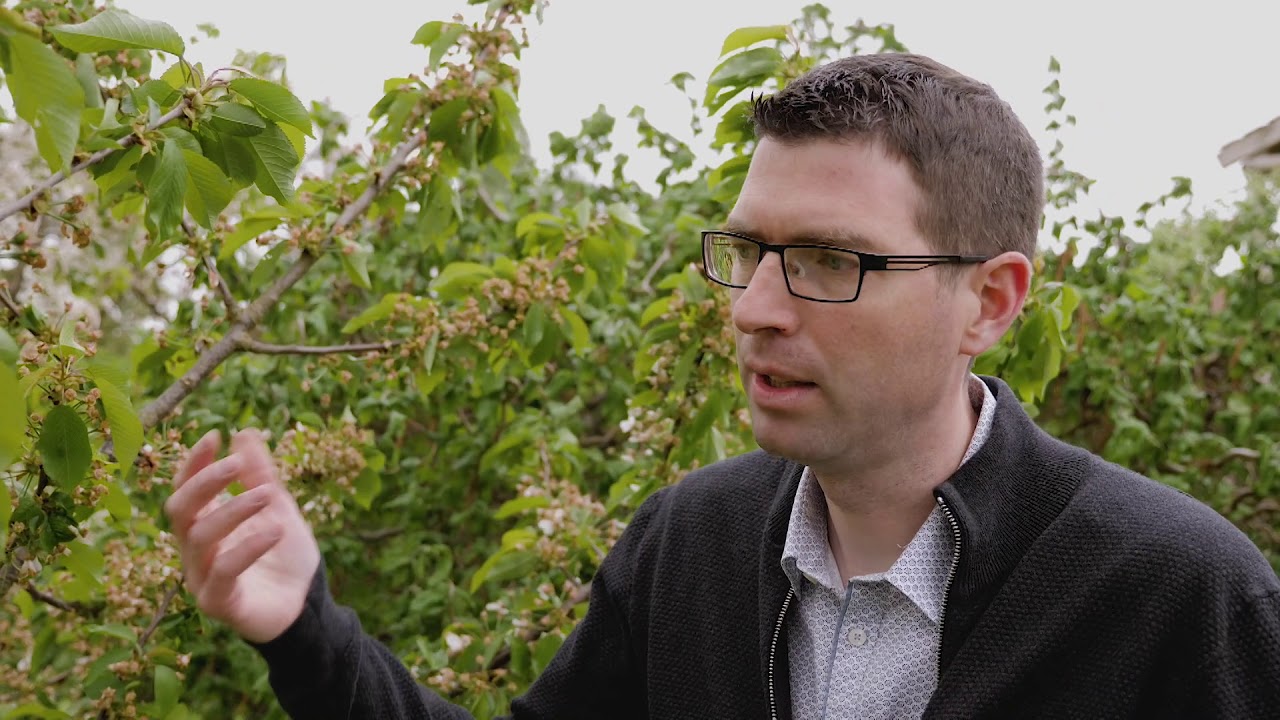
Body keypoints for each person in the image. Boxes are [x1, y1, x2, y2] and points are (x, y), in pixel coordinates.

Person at [164, 53, 1280, 719]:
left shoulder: (1178, 596)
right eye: (746, 250)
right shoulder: (688, 545)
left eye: (830, 261)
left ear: (988, 302)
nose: (753, 306)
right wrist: (306, 630)